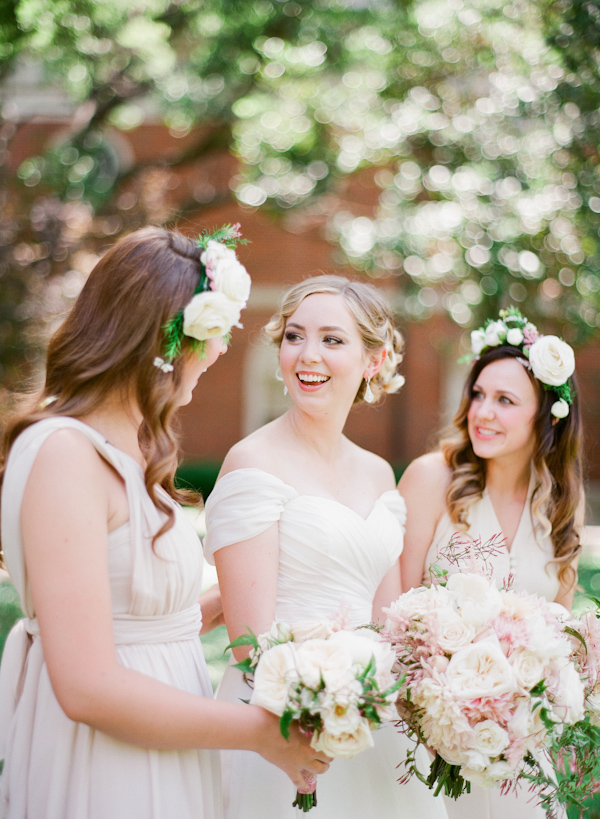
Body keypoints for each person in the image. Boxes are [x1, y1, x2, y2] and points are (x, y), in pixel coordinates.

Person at [0, 226, 329, 819]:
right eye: (214, 334)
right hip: (107, 761)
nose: (223, 351)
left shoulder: (134, 447)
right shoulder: (65, 454)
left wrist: (265, 583)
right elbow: (87, 685)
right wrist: (258, 731)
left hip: (171, 739)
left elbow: (138, 617)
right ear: (164, 342)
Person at [203, 275, 449, 819]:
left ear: (373, 360)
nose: (307, 355)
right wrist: (328, 703)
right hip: (282, 720)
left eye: (332, 340)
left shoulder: (379, 472)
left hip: (374, 723)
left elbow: (389, 622)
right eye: (294, 336)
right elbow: (249, 646)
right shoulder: (253, 462)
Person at [398, 307, 583, 819]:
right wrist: (435, 713)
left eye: (505, 400)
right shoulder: (431, 479)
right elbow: (390, 611)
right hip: (429, 741)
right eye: (478, 394)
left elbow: (557, 641)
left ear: (546, 414)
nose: (483, 411)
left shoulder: (560, 508)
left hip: (520, 757)